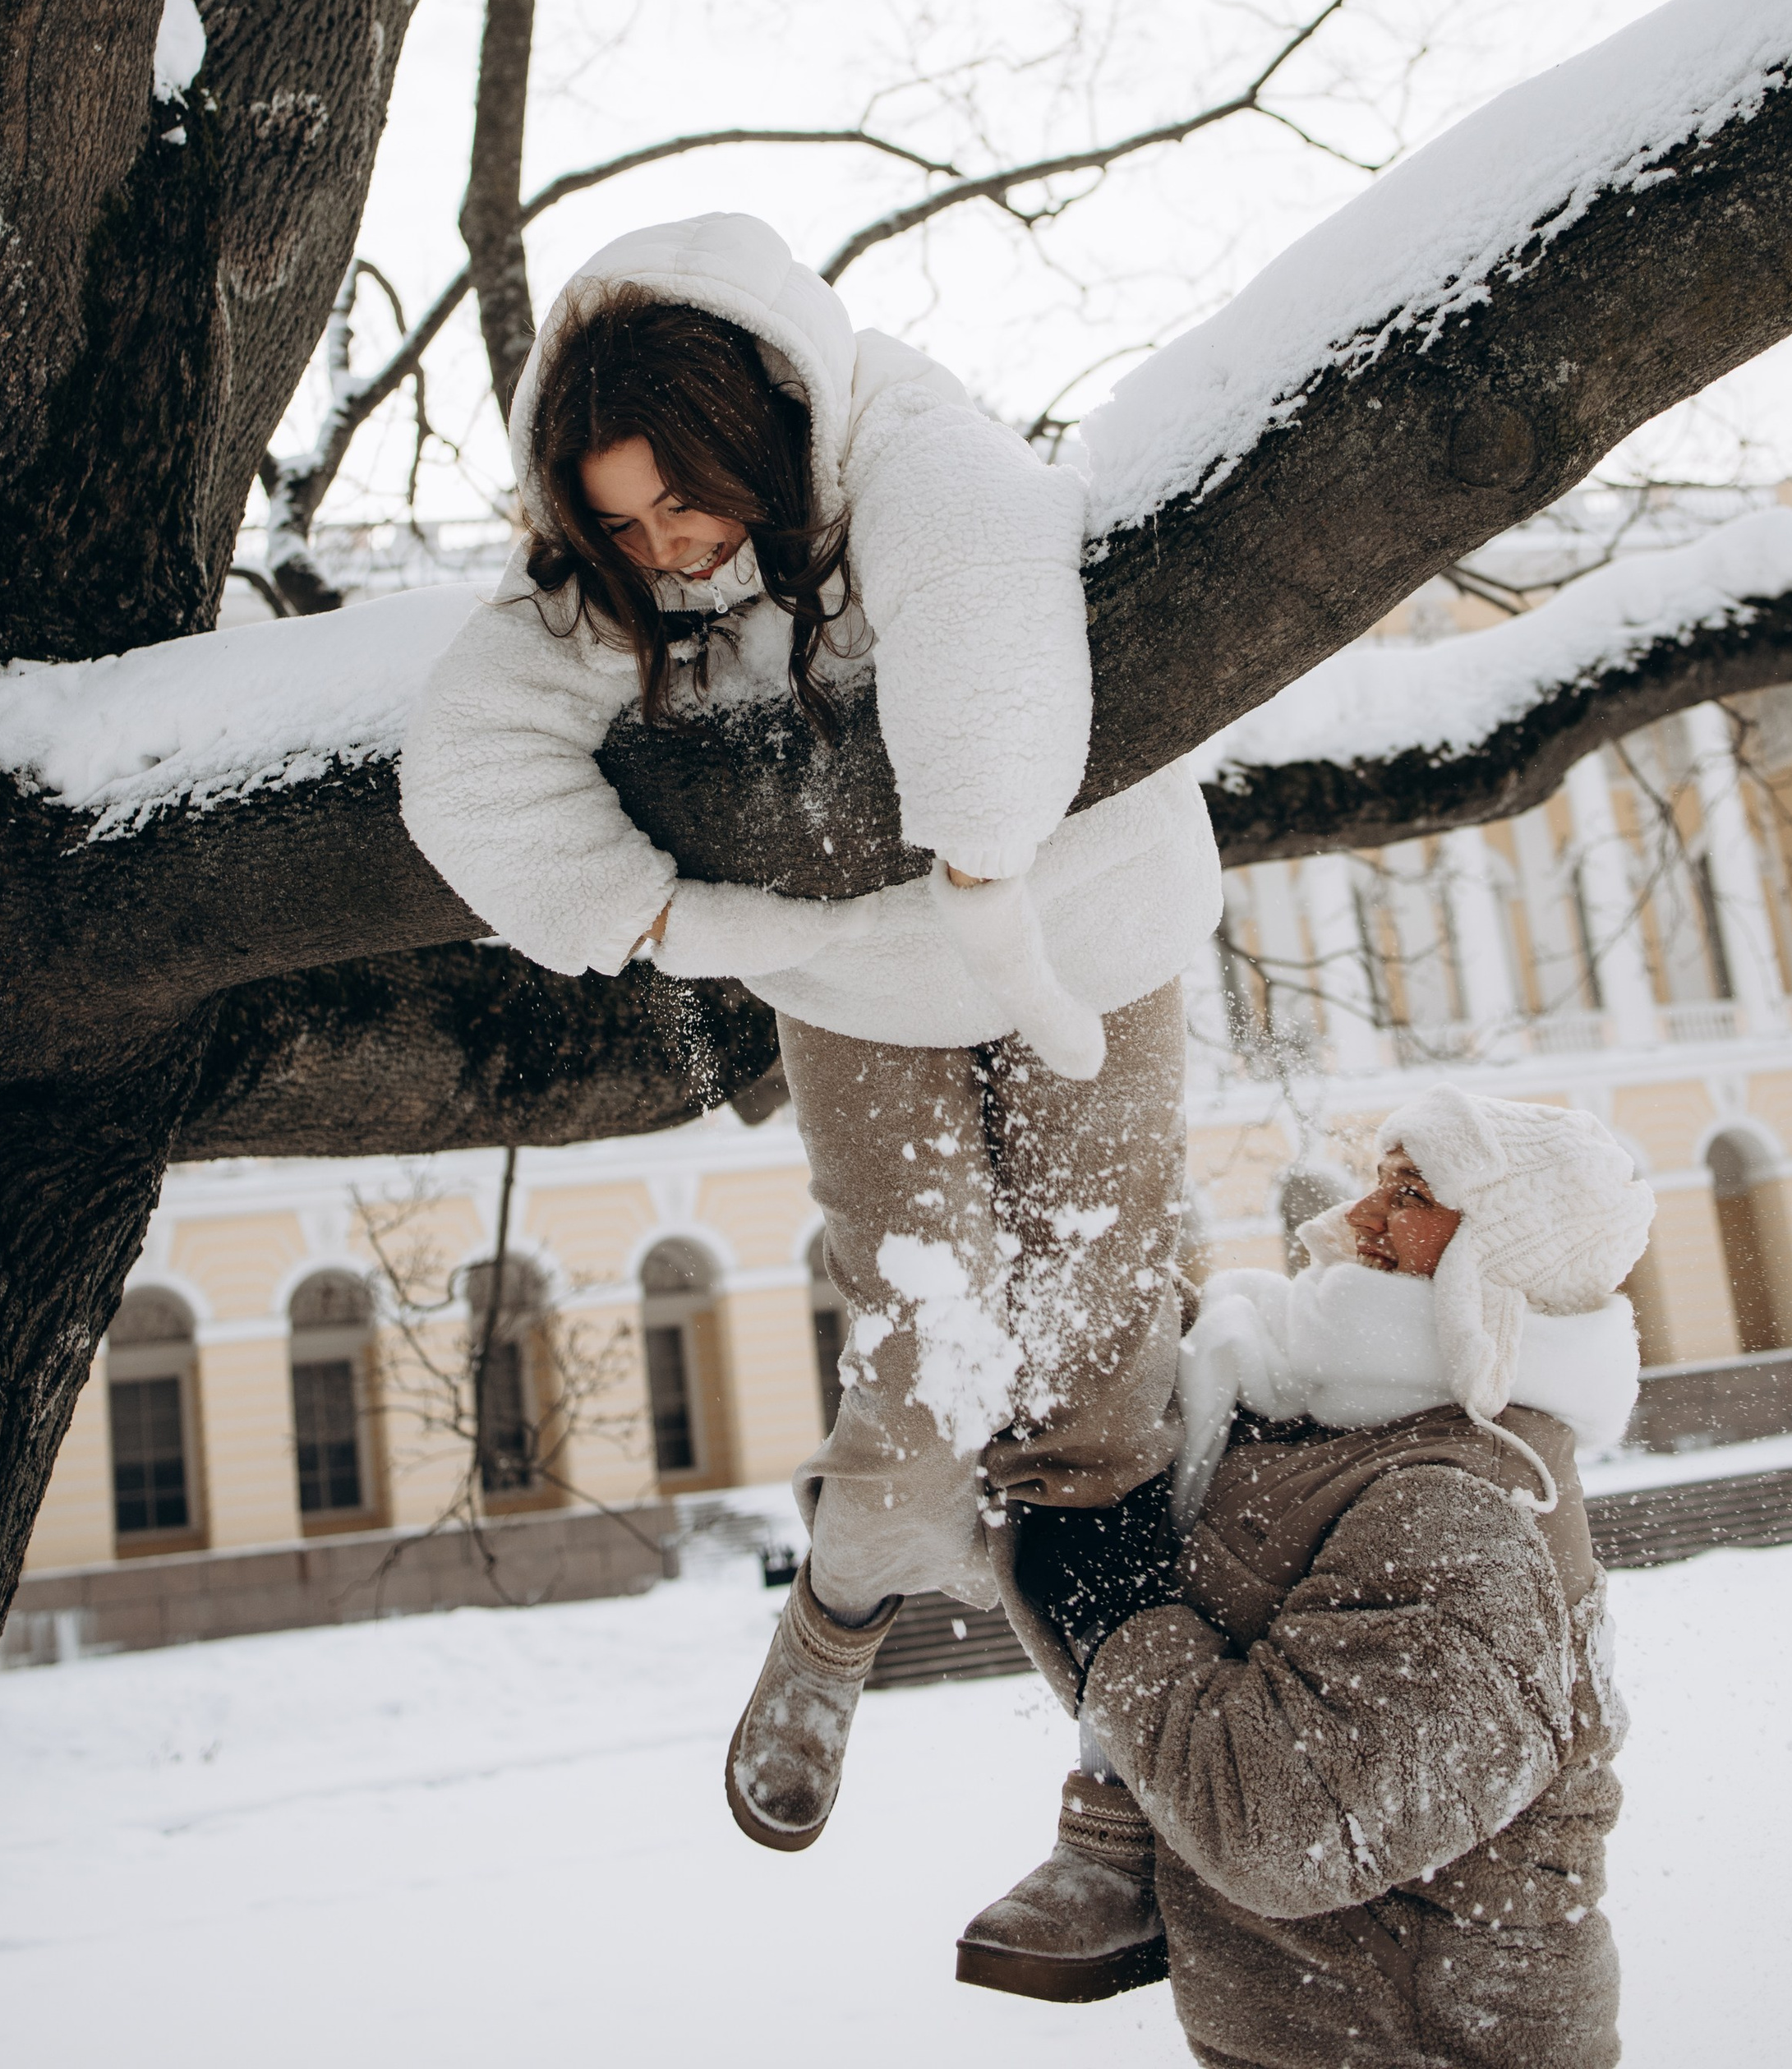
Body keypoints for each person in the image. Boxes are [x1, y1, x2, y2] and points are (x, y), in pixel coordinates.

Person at [398, 211, 1222, 1850]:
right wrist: (684, 926)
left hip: (1082, 937)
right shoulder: (616, 588)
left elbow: (986, 619)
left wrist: (984, 855)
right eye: (624, 519)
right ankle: (839, 1616)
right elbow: (471, 755)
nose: (671, 546)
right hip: (852, 981)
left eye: (687, 495)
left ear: (762, 429)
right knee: (931, 1325)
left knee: (1099, 1334)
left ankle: (1121, 1776)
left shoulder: (911, 453)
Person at [961, 1090, 1652, 2064]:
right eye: (1378, 1181)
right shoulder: (1348, 1404)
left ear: (1501, 1256)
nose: (1360, 1219)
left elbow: (1289, 1830)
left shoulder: (1469, 1510)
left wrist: (1121, 1617)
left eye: (1408, 1194)